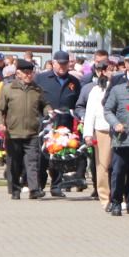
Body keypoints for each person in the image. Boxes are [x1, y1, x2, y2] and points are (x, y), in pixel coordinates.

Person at [0, 58, 47, 199]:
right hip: (13, 133)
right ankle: (15, 189)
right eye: (26, 72)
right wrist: (0, 124)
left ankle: (34, 189)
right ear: (18, 73)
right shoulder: (8, 89)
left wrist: (49, 112)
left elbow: (45, 105)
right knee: (14, 164)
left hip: (32, 133)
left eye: (31, 72)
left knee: (32, 162)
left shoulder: (37, 89)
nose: (29, 75)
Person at [103, 57, 129, 216]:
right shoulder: (118, 90)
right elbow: (108, 110)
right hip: (121, 139)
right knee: (118, 172)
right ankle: (115, 202)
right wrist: (115, 124)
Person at [36, 51, 82, 197]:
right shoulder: (41, 79)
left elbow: (77, 103)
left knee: (59, 154)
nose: (62, 66)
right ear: (53, 63)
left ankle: (56, 186)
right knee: (42, 156)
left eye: (65, 63)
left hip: (64, 124)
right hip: (45, 124)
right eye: (59, 63)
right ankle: (38, 185)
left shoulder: (74, 82)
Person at [81, 60, 114, 202]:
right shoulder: (96, 90)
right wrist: (88, 133)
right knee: (103, 165)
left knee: (119, 165)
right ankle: (105, 197)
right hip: (103, 130)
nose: (112, 72)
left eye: (114, 69)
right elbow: (90, 113)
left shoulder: (122, 86)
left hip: (121, 130)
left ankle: (120, 196)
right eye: (109, 70)